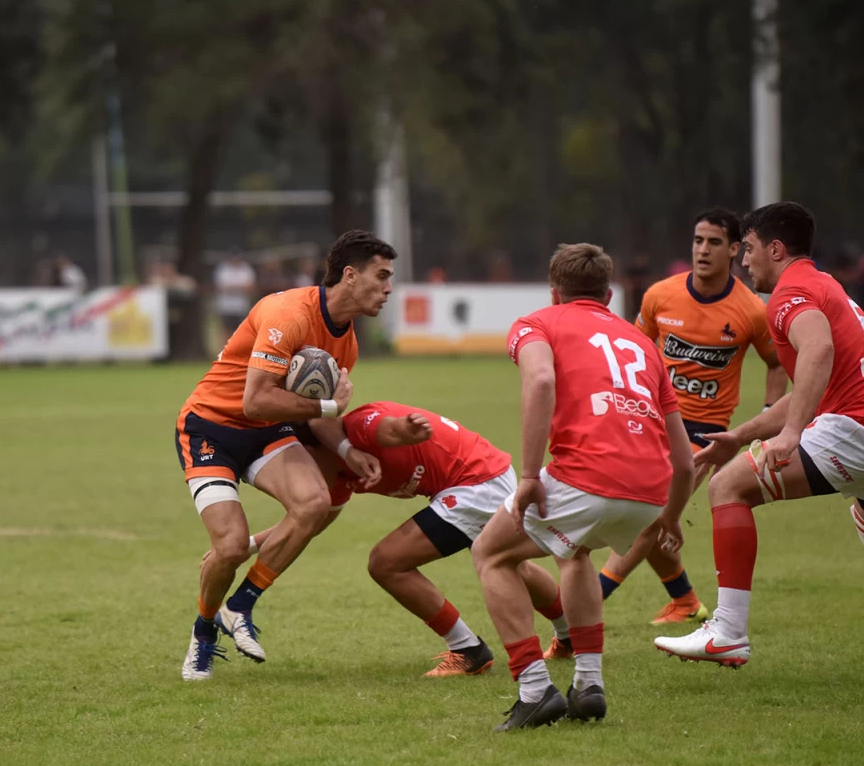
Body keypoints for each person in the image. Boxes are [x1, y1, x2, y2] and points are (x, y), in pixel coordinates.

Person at [654, 202, 864, 678]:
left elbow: (819, 350)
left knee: (727, 488)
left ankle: (727, 633)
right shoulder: (824, 285)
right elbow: (815, 379)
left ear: (776, 249)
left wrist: (790, 433)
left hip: (860, 430)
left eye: (749, 249)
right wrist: (741, 435)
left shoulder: (792, 292)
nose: (744, 261)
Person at [471, 243, 695, 731]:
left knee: (491, 554)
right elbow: (684, 461)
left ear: (554, 292)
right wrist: (670, 517)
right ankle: (588, 684)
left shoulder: (538, 323)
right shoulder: (642, 344)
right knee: (573, 553)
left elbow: (541, 384)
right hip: (651, 490)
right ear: (609, 294)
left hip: (588, 475)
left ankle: (534, 690)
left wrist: (529, 476)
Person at [175, 230, 396, 681]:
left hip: (266, 433)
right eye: (382, 276)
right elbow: (257, 401)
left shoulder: (346, 342)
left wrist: (346, 448)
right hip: (210, 428)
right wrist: (332, 407)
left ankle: (240, 606)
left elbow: (313, 416)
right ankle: (203, 632)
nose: (389, 288)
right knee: (232, 547)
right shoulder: (287, 313)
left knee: (316, 503)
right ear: (350, 276)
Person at [244, 402, 571, 677]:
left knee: (386, 563)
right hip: (488, 473)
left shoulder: (356, 427)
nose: (300, 474)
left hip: (473, 484)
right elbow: (308, 523)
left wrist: (405, 427)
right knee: (512, 566)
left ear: (315, 446)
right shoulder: (336, 475)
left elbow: (386, 428)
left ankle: (467, 650)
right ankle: (569, 636)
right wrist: (247, 545)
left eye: (302, 460)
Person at [597, 208, 788, 627]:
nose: (703, 250)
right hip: (649, 422)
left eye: (714, 242)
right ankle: (684, 601)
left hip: (704, 434)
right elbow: (634, 350)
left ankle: (587, 603)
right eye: (698, 240)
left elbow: (777, 364)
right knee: (655, 520)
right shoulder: (660, 296)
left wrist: (770, 415)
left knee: (649, 516)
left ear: (735, 250)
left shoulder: (751, 311)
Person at [213, 252, 257, 344]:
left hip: (241, 306)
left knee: (242, 331)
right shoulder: (223, 269)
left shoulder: (246, 269)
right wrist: (240, 287)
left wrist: (232, 287)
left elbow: (250, 287)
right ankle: (225, 352)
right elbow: (221, 287)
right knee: (226, 331)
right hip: (226, 307)